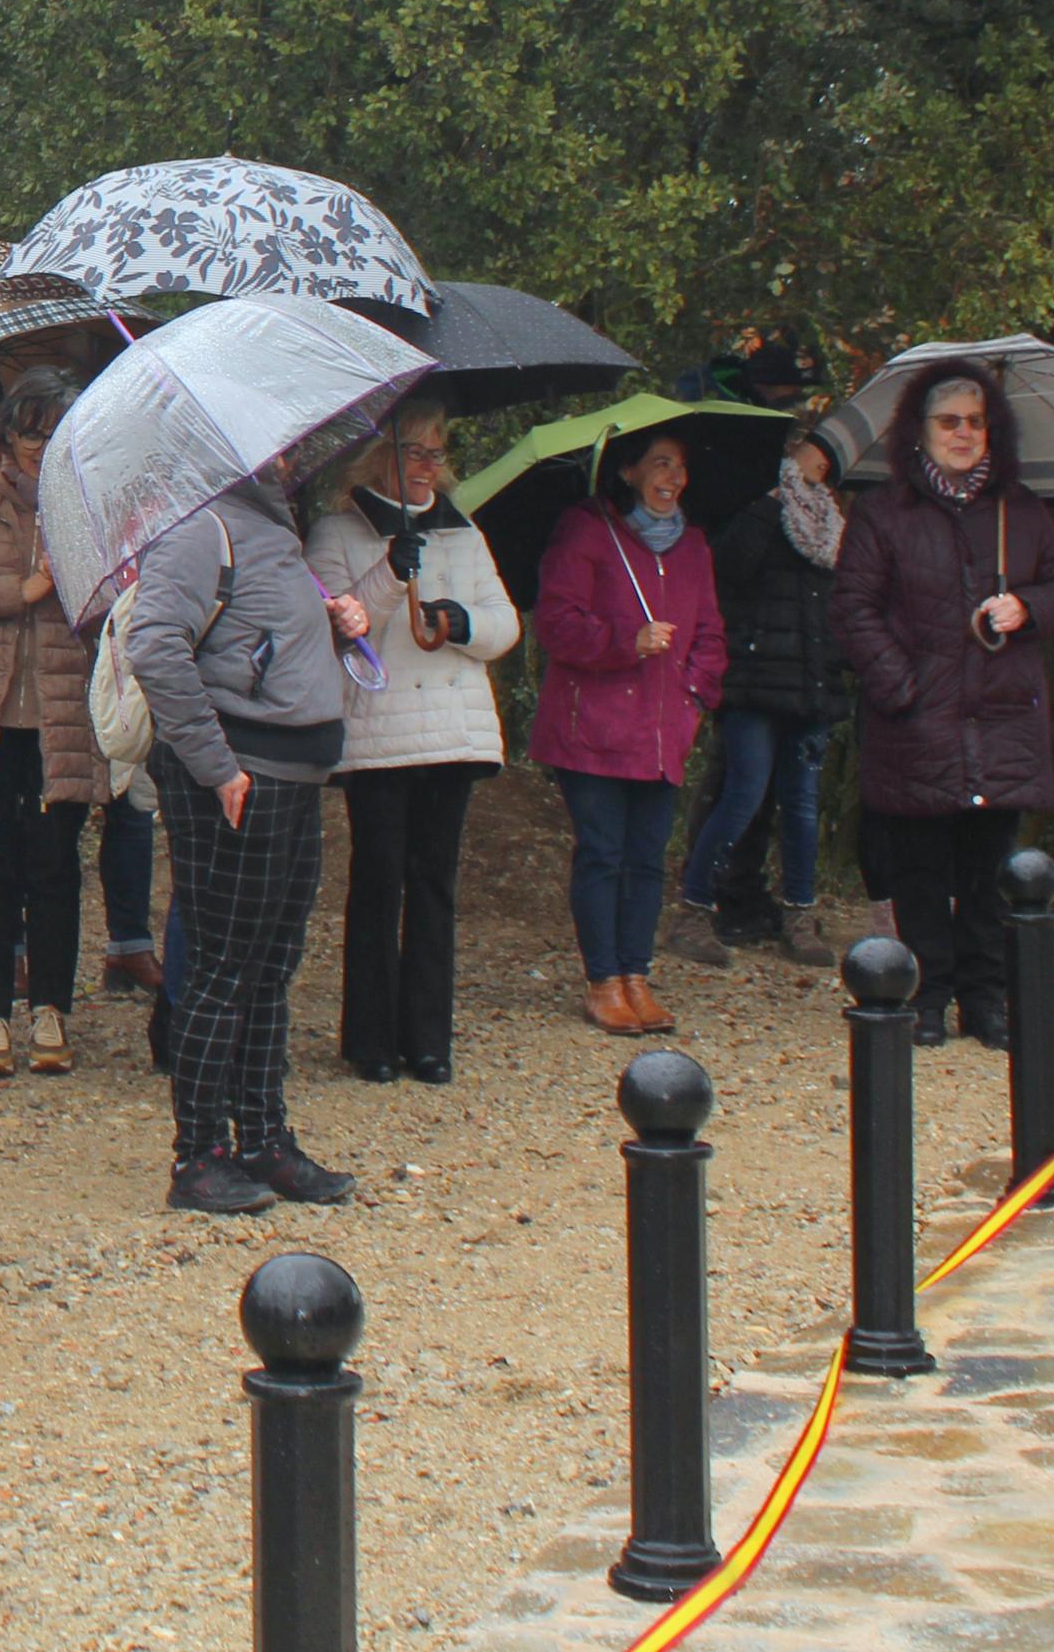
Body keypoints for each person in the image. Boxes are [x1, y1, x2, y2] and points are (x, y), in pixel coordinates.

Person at [121, 457, 367, 1216]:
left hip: (291, 774)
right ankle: (199, 1154)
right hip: (238, 775)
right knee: (224, 965)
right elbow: (154, 644)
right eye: (278, 444)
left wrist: (326, 629)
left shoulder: (274, 522)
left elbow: (252, 639)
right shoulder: (199, 527)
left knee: (271, 964)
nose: (291, 454)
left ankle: (262, 1137)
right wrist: (214, 764)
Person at [831, 365, 1054, 1048]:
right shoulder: (882, 512)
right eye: (949, 421)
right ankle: (928, 996)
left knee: (989, 871)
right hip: (918, 717)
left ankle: (986, 998)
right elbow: (852, 609)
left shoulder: (1020, 510)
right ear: (920, 429)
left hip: (1002, 717)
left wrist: (1026, 606)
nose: (963, 433)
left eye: (974, 420)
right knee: (918, 868)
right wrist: (898, 686)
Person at [301, 395, 520, 1084]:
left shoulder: (464, 532)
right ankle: (368, 1037)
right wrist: (392, 572)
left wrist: (461, 623)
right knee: (377, 882)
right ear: (378, 457)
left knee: (434, 886)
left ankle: (428, 1037)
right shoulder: (336, 532)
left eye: (435, 452)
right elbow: (342, 625)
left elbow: (504, 622)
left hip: (453, 732)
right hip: (381, 735)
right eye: (413, 451)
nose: (427, 465)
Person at [528, 432, 730, 1038]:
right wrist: (626, 643)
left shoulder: (694, 545)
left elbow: (712, 635)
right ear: (629, 470)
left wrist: (695, 692)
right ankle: (603, 980)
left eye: (681, 465)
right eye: (661, 463)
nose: (674, 477)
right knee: (603, 854)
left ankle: (637, 976)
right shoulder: (587, 531)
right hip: (591, 728)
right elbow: (556, 622)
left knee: (646, 860)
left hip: (664, 732)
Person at [0, 368, 103, 1078]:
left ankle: (51, 1009)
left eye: (52, 429)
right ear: (5, 432)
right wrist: (21, 589)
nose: (39, 444)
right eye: (28, 429)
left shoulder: (88, 501)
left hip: (63, 710)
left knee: (56, 865)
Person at [690, 428, 850, 972]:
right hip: (753, 682)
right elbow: (727, 567)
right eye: (812, 454)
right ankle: (694, 905)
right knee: (742, 796)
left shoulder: (832, 521)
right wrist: (775, 501)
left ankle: (800, 911)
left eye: (826, 459)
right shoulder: (752, 502)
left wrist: (835, 668)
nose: (818, 466)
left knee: (802, 805)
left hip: (810, 684)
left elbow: (837, 604)